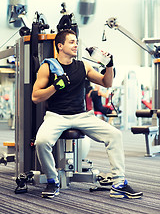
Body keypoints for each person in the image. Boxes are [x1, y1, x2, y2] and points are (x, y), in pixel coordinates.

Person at [32, 29, 143, 199]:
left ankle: (119, 183)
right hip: (57, 116)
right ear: (60, 46)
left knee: (115, 134)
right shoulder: (48, 67)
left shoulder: (83, 66)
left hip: (82, 115)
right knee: (41, 142)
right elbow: (35, 97)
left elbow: (107, 83)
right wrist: (55, 86)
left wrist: (109, 65)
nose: (76, 44)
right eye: (71, 42)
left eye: (76, 41)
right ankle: (52, 180)